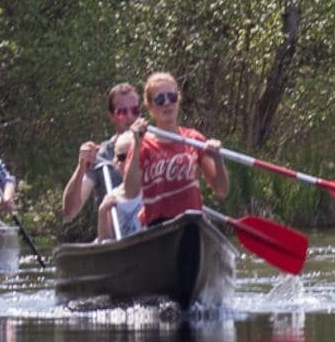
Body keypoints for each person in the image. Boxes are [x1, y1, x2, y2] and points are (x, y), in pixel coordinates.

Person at [135, 71, 228, 223]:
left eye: (172, 97)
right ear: (150, 107)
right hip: (158, 228)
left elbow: (222, 191)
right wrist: (137, 143)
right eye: (159, 99)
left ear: (178, 100)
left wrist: (218, 159)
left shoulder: (194, 139)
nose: (167, 103)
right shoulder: (142, 144)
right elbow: (131, 191)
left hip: (191, 223)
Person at [62, 83, 143, 238]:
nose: (130, 117)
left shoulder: (155, 145)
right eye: (122, 112)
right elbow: (69, 212)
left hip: (150, 231)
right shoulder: (101, 155)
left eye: (135, 110)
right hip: (114, 237)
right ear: (111, 116)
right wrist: (81, 167)